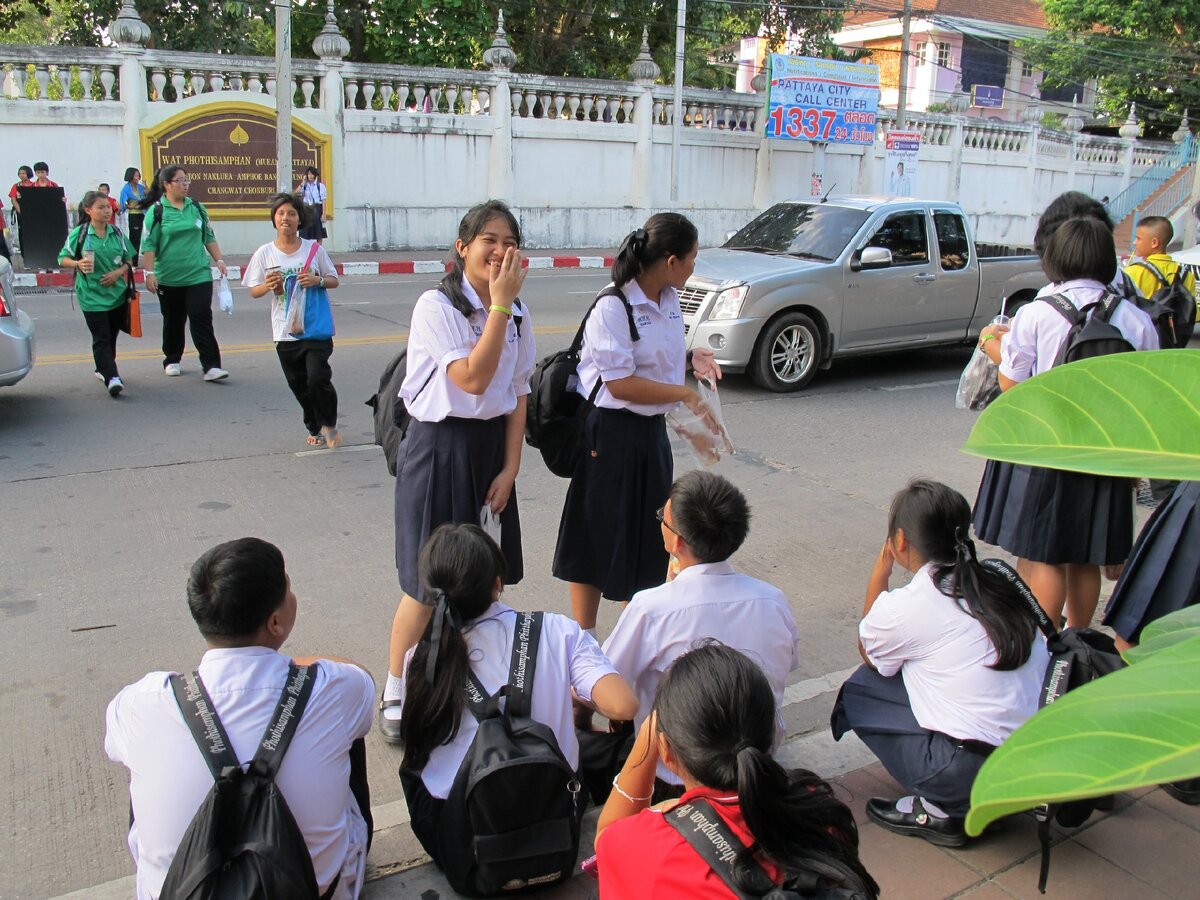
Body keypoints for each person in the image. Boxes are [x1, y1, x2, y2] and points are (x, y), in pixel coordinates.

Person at [104, 537, 376, 900]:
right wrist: (298, 672)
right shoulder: (333, 689)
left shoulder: (143, 703)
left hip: (186, 889)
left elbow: (116, 745)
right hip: (310, 891)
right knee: (346, 731)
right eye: (288, 586)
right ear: (276, 622)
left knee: (142, 758)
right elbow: (361, 682)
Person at [378, 200, 535, 741]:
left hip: (489, 451)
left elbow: (516, 394)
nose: (500, 250)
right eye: (489, 239)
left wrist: (511, 468)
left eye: (510, 242)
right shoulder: (437, 306)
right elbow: (471, 377)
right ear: (462, 246)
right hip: (439, 449)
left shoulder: (517, 312)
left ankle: (472, 680)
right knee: (428, 582)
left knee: (484, 580)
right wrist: (499, 306)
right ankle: (397, 687)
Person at [394, 523, 638, 864]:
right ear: (498, 583)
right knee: (588, 745)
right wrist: (573, 702)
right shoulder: (556, 631)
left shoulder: (420, 661)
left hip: (465, 844)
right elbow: (623, 705)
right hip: (554, 825)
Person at [831, 479, 1049, 846]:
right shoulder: (997, 577)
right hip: (1038, 761)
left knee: (861, 690)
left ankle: (942, 810)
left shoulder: (914, 603)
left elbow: (869, 649)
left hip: (974, 774)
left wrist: (879, 574)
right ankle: (991, 798)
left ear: (900, 541)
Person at [973, 216, 1158, 627]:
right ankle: (1078, 639)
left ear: (1055, 259)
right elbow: (1143, 398)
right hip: (1106, 451)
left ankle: (1047, 644)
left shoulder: (1038, 313)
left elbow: (1011, 385)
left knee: (1046, 555)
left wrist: (992, 345)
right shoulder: (1135, 319)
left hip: (1048, 444)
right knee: (1086, 556)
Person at [598, 644, 879, 899]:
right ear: (770, 733)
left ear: (667, 752)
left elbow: (608, 840)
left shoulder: (646, 849)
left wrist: (648, 741)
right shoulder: (815, 806)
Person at [552, 213, 721, 637]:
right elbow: (621, 383)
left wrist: (689, 360)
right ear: (670, 260)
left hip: (649, 436)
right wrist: (684, 394)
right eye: (692, 258)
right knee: (596, 533)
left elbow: (655, 360)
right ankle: (585, 635)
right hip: (609, 435)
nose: (694, 266)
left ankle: (635, 634)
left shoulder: (667, 300)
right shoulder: (614, 305)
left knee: (650, 537)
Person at [591, 470, 799, 798]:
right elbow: (787, 664)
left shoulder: (652, 607)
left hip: (675, 774)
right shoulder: (772, 600)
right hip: (757, 764)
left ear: (677, 542)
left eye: (663, 517)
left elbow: (607, 680)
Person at [243, 193, 342, 447]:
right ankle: (313, 425)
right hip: (285, 331)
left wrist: (316, 280)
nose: (285, 218)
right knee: (298, 384)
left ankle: (329, 423)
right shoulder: (265, 254)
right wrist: (267, 286)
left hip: (314, 328)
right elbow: (253, 290)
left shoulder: (313, 250)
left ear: (299, 220)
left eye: (291, 214)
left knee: (317, 377)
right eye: (280, 213)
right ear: (274, 219)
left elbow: (333, 279)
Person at [140, 164, 229, 381]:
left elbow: (208, 236)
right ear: (166, 185)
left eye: (187, 180)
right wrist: (149, 273)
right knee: (173, 319)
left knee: (201, 317)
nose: (185, 184)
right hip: (168, 277)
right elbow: (149, 245)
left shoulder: (197, 207)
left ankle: (211, 366)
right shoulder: (157, 211)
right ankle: (172, 359)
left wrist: (219, 259)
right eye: (180, 180)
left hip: (198, 274)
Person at [57, 191, 135, 397]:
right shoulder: (80, 234)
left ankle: (103, 368)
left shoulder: (117, 233)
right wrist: (77, 263)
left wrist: (118, 272)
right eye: (101, 207)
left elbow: (129, 260)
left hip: (117, 295)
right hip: (91, 296)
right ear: (88, 210)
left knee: (111, 337)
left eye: (108, 206)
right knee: (101, 337)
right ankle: (112, 377)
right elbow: (62, 258)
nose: (106, 211)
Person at [118, 167, 147, 258]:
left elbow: (148, 196)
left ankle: (135, 260)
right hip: (133, 214)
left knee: (139, 237)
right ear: (130, 176)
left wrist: (146, 187)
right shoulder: (126, 189)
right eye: (136, 175)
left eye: (138, 175)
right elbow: (125, 203)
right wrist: (134, 206)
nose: (138, 178)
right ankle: (132, 260)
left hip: (142, 214)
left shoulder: (141, 187)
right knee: (134, 238)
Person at [297, 166, 328, 242]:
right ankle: (306, 252)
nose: (310, 176)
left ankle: (316, 252)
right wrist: (302, 183)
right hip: (306, 209)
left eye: (312, 174)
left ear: (315, 175)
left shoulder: (320, 186)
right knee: (304, 233)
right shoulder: (304, 186)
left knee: (318, 233)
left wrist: (324, 214)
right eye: (309, 174)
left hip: (316, 209)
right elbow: (296, 193)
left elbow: (323, 200)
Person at [7, 165, 33, 253]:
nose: (21, 175)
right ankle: (24, 255)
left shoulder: (33, 185)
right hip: (21, 213)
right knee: (22, 234)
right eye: (20, 173)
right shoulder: (16, 186)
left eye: (24, 173)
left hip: (32, 213)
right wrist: (21, 211)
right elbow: (13, 199)